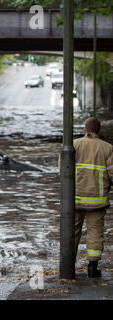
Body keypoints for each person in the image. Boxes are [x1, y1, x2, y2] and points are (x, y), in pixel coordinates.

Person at [73, 117, 113, 277]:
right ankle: (92, 267)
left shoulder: (74, 145)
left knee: (72, 231)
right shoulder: (107, 148)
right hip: (97, 201)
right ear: (99, 131)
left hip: (75, 200)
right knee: (95, 231)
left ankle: (68, 265)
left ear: (85, 130)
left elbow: (63, 170)